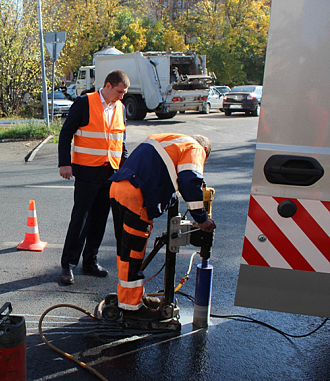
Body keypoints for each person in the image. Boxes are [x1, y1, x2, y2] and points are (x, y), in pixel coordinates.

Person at [109, 133, 216, 319]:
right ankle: (131, 308)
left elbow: (159, 171)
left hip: (119, 189)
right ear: (205, 151)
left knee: (125, 252)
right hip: (136, 197)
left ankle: (132, 296)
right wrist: (202, 219)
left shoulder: (169, 140)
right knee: (132, 254)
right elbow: (190, 180)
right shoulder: (195, 148)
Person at [58, 70, 130, 285]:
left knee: (99, 220)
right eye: (119, 91)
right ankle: (68, 265)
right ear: (107, 86)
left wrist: (126, 170)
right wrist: (64, 163)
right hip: (87, 171)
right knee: (80, 219)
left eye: (124, 93)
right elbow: (66, 133)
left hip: (110, 173)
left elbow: (120, 142)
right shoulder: (84, 102)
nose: (121, 96)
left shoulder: (120, 108)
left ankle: (90, 261)